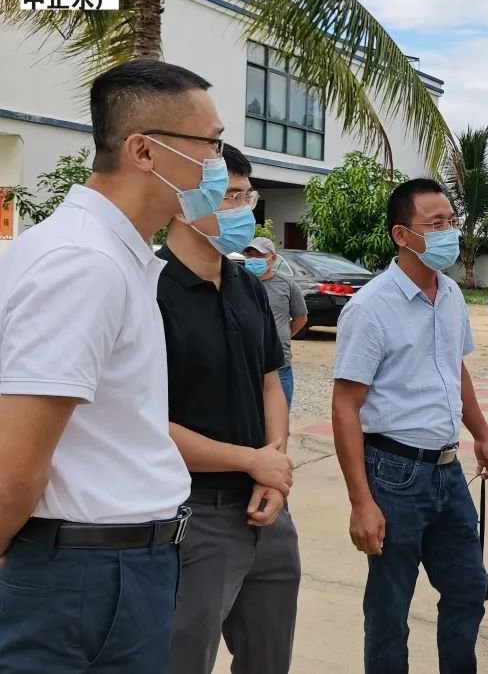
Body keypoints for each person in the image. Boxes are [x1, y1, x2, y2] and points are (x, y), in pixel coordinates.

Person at [0, 59, 217, 671]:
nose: (218, 164)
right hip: (85, 578)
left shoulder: (110, 256)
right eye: (210, 144)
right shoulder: (85, 264)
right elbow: (16, 464)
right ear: (143, 151)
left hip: (105, 569)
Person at [331, 178, 488, 674]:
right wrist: (361, 501)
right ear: (402, 235)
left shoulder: (450, 294)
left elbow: (456, 368)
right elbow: (345, 406)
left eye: (451, 220)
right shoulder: (371, 307)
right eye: (436, 224)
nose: (449, 231)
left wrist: (483, 435)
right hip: (394, 473)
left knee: (468, 588)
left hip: (448, 470)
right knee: (390, 607)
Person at [159, 144, 300, 674]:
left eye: (246, 196)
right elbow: (141, 423)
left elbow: (270, 382)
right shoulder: (149, 289)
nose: (242, 210)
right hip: (191, 514)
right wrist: (250, 461)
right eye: (228, 197)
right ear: (182, 204)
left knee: (268, 656)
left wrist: (273, 467)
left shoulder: (248, 286)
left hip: (266, 506)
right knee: (182, 658)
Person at [243, 236, 308, 408]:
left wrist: (280, 337)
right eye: (250, 255)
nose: (253, 260)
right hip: (246, 365)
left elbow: (300, 318)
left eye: (259, 256)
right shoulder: (238, 284)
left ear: (272, 259)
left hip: (280, 366)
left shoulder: (287, 285)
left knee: (279, 415)